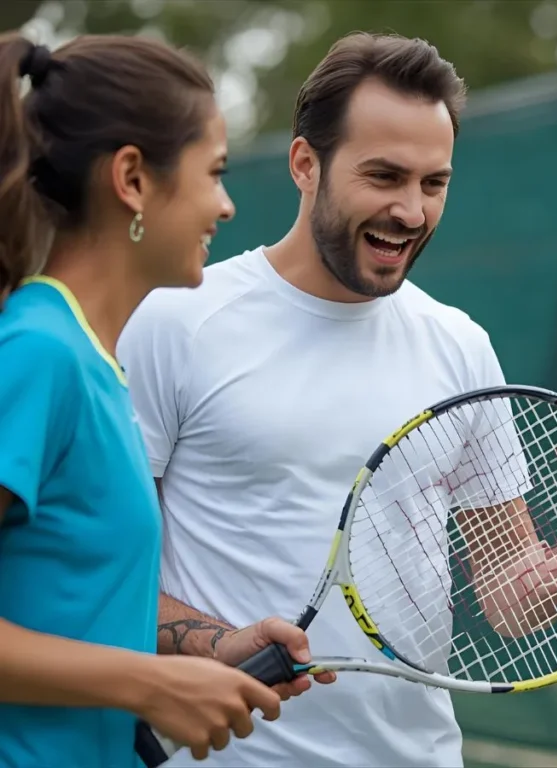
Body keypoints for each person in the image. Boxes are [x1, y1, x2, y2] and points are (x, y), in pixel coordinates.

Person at [116, 30, 557, 767]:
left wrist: (550, 578)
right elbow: (108, 572)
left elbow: (506, 592)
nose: (411, 211)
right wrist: (219, 646)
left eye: (433, 183)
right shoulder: (175, 321)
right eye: (384, 176)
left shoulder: (460, 345)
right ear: (305, 164)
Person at [0, 33, 329, 768]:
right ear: (133, 180)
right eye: (212, 173)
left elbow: (66, 605)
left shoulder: (95, 362)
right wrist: (152, 684)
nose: (227, 204)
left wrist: (211, 653)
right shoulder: (38, 355)